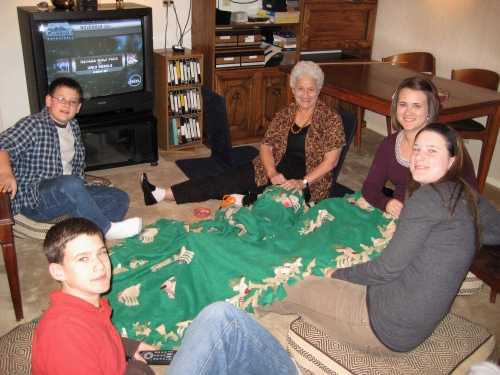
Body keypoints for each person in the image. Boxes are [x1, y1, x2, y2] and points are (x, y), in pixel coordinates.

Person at [261, 123, 500, 356]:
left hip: (383, 326)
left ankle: (243, 303)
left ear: (452, 161)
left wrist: (336, 274)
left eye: (432, 150)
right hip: (412, 319)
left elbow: (385, 270)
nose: (419, 156)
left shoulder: (427, 199)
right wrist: (462, 239)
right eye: (416, 149)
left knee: (292, 281)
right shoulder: (467, 194)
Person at [32, 217, 299, 375]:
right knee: (222, 319)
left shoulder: (84, 308)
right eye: (83, 258)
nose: (100, 265)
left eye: (101, 252)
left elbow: (96, 339)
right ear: (58, 271)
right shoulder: (62, 333)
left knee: (222, 338)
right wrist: (138, 369)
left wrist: (130, 347)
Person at [141, 61, 345, 206]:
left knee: (279, 206)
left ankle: (247, 200)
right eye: (300, 89)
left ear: (319, 90)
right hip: (273, 171)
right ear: (293, 89)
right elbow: (266, 146)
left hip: (306, 182)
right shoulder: (285, 113)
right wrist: (272, 172)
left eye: (311, 89)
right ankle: (161, 194)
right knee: (223, 180)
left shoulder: (330, 119)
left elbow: (331, 162)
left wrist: (303, 182)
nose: (305, 95)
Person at [0, 77, 141, 240]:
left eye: (72, 102)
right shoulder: (34, 124)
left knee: (119, 197)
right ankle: (105, 229)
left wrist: (83, 186)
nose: (66, 105)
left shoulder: (73, 126)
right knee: (70, 183)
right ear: (48, 100)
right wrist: (5, 173)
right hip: (35, 199)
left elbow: (75, 166)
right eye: (61, 99)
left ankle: (86, 233)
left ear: (78, 107)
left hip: (66, 191)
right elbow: (3, 143)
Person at [362, 76, 478, 218]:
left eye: (417, 106)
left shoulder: (447, 145)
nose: (408, 112)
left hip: (437, 219)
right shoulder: (390, 143)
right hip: (398, 215)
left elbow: (471, 195)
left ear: (429, 110)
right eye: (403, 104)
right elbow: (370, 187)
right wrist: (386, 203)